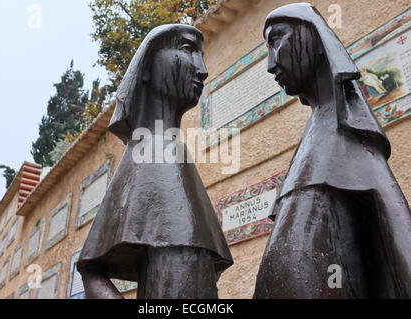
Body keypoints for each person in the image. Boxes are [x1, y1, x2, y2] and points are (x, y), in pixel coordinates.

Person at [253, 3, 411, 298]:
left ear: (314, 40)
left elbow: (395, 228)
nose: (271, 64)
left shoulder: (349, 133)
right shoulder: (315, 130)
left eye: (277, 40)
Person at [77, 24, 233, 299]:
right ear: (147, 68)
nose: (202, 69)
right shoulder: (143, 153)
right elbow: (91, 270)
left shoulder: (176, 154)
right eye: (187, 49)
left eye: (202, 55)